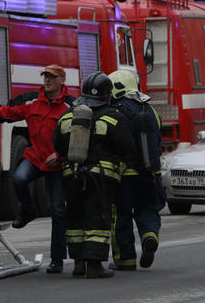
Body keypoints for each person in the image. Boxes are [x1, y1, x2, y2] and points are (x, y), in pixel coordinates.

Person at [0, 64, 72, 274]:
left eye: (52, 77)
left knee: (58, 211)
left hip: (57, 164)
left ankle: (57, 259)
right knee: (19, 178)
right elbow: (7, 113)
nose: (47, 80)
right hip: (36, 158)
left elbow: (78, 136)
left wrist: (61, 156)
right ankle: (28, 210)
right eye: (45, 76)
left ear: (61, 81)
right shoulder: (32, 102)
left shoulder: (70, 106)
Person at [53, 71, 135, 279]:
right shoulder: (113, 117)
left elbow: (57, 145)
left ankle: (79, 264)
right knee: (97, 220)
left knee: (75, 220)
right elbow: (127, 147)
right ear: (108, 95)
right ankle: (95, 266)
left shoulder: (66, 117)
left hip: (70, 176)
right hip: (100, 179)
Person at [107, 70, 164, 271]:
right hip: (150, 174)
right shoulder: (151, 111)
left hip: (124, 176)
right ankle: (150, 236)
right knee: (148, 209)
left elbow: (113, 143)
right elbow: (158, 140)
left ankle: (125, 260)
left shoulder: (116, 112)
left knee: (121, 216)